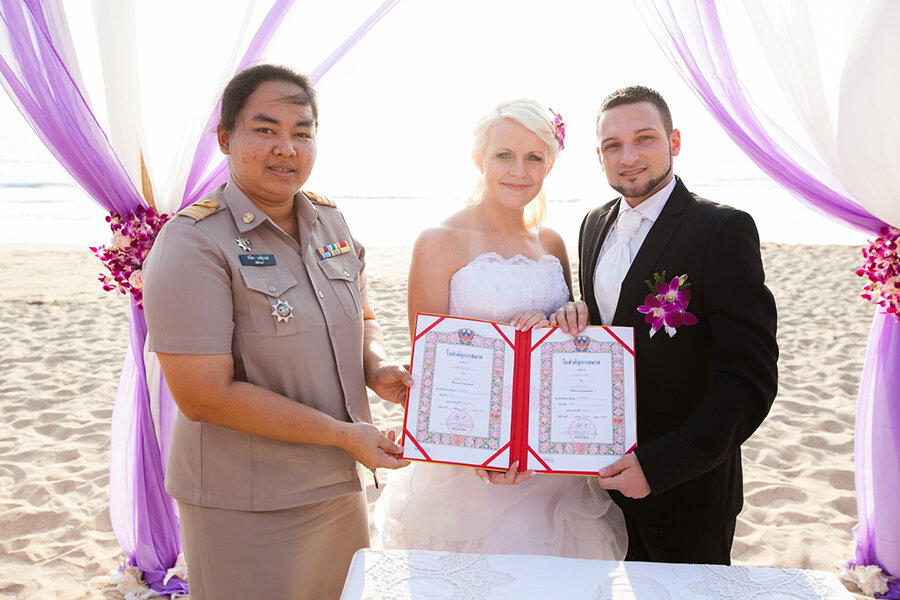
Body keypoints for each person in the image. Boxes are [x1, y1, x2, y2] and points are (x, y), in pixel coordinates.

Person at [142, 64, 410, 600]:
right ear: (226, 138)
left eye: (302, 132)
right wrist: (341, 433)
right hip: (244, 498)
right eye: (265, 129)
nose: (286, 147)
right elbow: (203, 396)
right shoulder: (192, 243)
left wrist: (377, 366)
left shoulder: (328, 221)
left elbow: (362, 315)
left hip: (337, 482)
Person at [374, 99, 627, 559]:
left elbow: (562, 349)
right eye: (504, 155)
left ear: (549, 165)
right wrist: (481, 458)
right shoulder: (438, 241)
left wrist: (567, 320)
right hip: (467, 474)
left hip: (552, 474)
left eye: (534, 158)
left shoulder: (551, 242)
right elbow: (430, 373)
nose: (519, 171)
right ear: (479, 159)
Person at [550, 85, 778, 565]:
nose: (628, 156)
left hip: (686, 492)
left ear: (674, 142)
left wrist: (659, 466)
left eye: (645, 138)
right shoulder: (593, 224)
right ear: (599, 155)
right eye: (613, 145)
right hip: (599, 484)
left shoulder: (721, 229)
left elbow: (749, 379)